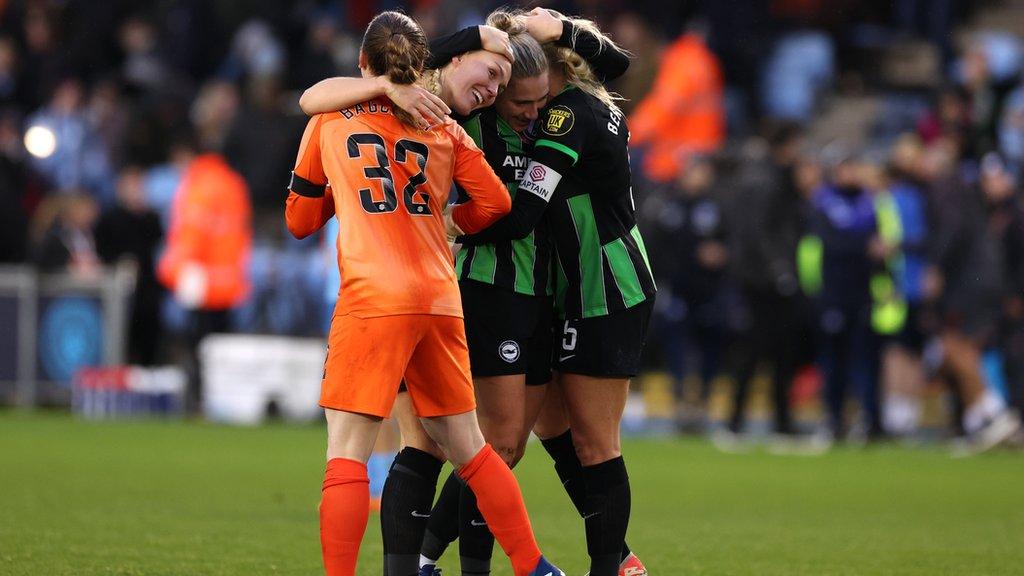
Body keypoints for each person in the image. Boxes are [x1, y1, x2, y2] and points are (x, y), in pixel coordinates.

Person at [298, 8, 646, 576]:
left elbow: (304, 193)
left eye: (534, 101)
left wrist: (557, 32)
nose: (525, 112)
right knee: (460, 445)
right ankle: (475, 564)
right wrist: (404, 77)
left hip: (525, 290)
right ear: (455, 62)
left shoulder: (551, 113)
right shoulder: (446, 113)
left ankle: (475, 565)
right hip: (468, 289)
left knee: (493, 444)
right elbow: (503, 205)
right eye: (511, 97)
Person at [450, 15, 656, 575]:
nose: (523, 109)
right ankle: (621, 559)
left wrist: (446, 224)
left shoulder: (567, 115)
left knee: (592, 443)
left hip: (603, 287)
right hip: (573, 286)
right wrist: (563, 27)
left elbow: (522, 215)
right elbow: (618, 63)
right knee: (547, 430)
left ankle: (610, 565)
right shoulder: (594, 95)